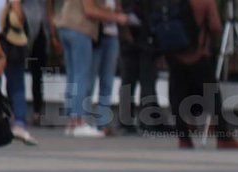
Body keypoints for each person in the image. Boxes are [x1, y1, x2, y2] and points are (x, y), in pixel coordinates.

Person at [164, 0, 238, 148]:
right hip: (198, 54)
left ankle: (184, 138)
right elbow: (215, 26)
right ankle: (223, 137)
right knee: (212, 95)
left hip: (174, 53)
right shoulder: (205, 1)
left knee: (176, 95)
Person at [56, 0, 126, 136]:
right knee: (81, 76)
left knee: (74, 75)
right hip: (80, 29)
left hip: (68, 27)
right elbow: (90, 10)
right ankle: (78, 121)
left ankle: (73, 121)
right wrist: (116, 16)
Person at [0, 0, 37, 143]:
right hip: (8, 41)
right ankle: (19, 123)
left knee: (0, 83)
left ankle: (3, 120)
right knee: (16, 84)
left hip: (3, 40)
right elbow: (19, 17)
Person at [118, 0, 160, 135]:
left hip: (130, 38)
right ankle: (146, 121)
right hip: (145, 38)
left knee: (128, 82)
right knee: (147, 82)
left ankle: (126, 121)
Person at [85, 0, 122, 135]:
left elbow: (118, 11)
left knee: (107, 81)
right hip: (96, 35)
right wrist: (108, 14)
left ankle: (103, 122)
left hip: (112, 35)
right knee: (89, 81)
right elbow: (90, 11)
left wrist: (114, 12)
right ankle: (84, 121)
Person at [22, 0, 49, 127]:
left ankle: (37, 112)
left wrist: (52, 34)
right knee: (16, 73)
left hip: (41, 31)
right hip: (24, 26)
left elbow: (48, 8)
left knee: (38, 75)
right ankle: (17, 113)